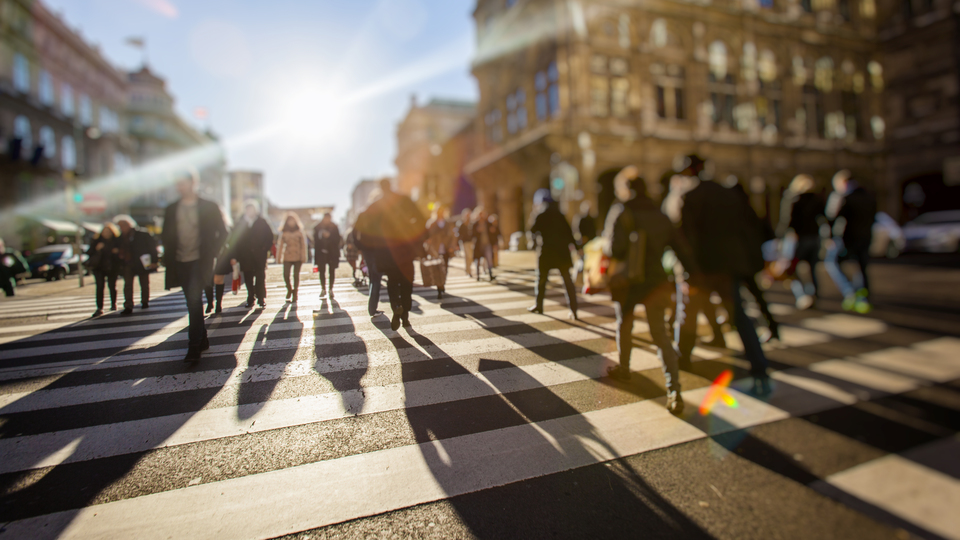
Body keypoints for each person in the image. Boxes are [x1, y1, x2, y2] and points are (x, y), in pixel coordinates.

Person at [602, 167, 697, 415]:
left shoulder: (621, 210)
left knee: (624, 323)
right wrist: (692, 274)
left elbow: (614, 249)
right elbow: (679, 246)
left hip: (629, 282)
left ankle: (624, 368)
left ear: (625, 188)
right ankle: (674, 390)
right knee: (660, 335)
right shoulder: (660, 213)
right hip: (656, 281)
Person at [676, 155, 770, 392]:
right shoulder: (728, 194)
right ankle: (759, 367)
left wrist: (688, 269)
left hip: (702, 267)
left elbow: (686, 237)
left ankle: (683, 358)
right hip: (729, 265)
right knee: (739, 316)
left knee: (688, 314)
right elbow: (746, 227)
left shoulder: (691, 196)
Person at [161, 170, 228, 362]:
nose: (179, 187)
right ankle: (203, 339)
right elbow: (166, 235)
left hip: (201, 260)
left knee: (194, 301)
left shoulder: (209, 206)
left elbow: (223, 233)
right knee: (193, 302)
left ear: (193, 183)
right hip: (181, 261)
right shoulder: (172, 209)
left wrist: (212, 253)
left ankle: (193, 347)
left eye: (182, 183)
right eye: (177, 184)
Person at [364, 178, 426, 331]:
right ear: (391, 185)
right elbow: (421, 219)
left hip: (386, 252)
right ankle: (405, 317)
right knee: (406, 283)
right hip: (405, 248)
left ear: (380, 188)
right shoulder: (404, 200)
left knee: (392, 282)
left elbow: (366, 230)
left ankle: (396, 306)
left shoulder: (375, 205)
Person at [824, 170, 876, 313]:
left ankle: (850, 292)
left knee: (831, 262)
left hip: (847, 238)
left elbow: (833, 218)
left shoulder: (844, 197)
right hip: (865, 237)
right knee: (862, 268)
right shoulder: (868, 196)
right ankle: (862, 297)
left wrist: (829, 237)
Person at [777, 174, 826, 310]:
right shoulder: (817, 199)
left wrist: (780, 237)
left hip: (797, 238)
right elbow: (823, 218)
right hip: (814, 237)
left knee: (791, 268)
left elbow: (787, 220)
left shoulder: (793, 198)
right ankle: (813, 294)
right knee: (812, 269)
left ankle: (803, 295)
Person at [528, 189, 578, 319]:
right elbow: (569, 233)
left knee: (542, 280)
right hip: (562, 252)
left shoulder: (540, 214)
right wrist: (576, 248)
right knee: (567, 280)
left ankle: (539, 306)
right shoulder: (560, 214)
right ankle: (574, 309)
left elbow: (533, 230)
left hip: (546, 252)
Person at [234, 200, 274, 309]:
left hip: (259, 255)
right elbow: (235, 239)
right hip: (245, 256)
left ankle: (261, 298)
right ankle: (250, 297)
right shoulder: (241, 221)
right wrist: (237, 255)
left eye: (252, 209)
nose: (249, 211)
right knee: (248, 278)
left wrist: (264, 248)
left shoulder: (262, 221)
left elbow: (270, 236)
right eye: (247, 209)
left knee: (260, 277)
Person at [114, 215, 157, 315]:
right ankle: (128, 305)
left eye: (123, 225)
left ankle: (145, 301)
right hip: (128, 263)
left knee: (144, 283)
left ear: (129, 224)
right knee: (128, 285)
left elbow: (152, 247)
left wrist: (154, 261)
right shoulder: (120, 237)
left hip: (142, 262)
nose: (121, 228)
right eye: (119, 226)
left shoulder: (142, 233)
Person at [354, 193, 387, 318]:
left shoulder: (363, 214)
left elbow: (354, 232)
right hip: (377, 250)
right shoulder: (381, 214)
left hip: (368, 250)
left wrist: (360, 246)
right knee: (376, 277)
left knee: (374, 277)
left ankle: (372, 308)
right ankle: (373, 308)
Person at [87, 223, 121, 317]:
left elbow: (121, 253)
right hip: (99, 267)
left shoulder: (116, 240)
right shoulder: (97, 241)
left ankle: (113, 303)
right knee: (100, 286)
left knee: (112, 285)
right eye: (104, 231)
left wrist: (116, 251)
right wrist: (97, 249)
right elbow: (89, 252)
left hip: (112, 267)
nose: (106, 233)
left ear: (112, 231)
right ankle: (99, 308)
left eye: (108, 231)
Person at [277, 212, 308, 303]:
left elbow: (303, 245)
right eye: (290, 220)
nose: (291, 222)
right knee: (286, 275)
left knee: (296, 275)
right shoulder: (284, 232)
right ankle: (289, 289)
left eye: (293, 220)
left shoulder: (299, 232)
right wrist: (278, 258)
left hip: (298, 256)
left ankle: (295, 293)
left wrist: (303, 256)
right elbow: (280, 246)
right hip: (287, 256)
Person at [425, 206, 456, 299]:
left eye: (442, 211)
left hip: (446, 248)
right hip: (435, 249)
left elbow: (453, 235)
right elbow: (428, 235)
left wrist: (452, 246)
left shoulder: (448, 223)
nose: (441, 213)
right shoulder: (432, 223)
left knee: (445, 267)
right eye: (439, 211)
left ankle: (443, 282)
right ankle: (439, 287)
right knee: (437, 269)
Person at [313, 213, 341, 299]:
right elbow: (315, 241)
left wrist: (330, 236)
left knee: (331, 271)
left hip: (332, 253)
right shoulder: (317, 227)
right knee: (321, 271)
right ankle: (323, 289)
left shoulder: (334, 226)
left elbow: (338, 239)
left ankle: (330, 289)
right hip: (321, 252)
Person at [472, 207, 496, 282]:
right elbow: (472, 234)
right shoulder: (475, 224)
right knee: (478, 260)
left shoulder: (488, 223)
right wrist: (477, 231)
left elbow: (492, 233)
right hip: (479, 245)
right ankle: (478, 275)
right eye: (480, 214)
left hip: (487, 244)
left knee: (489, 259)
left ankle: (490, 274)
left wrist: (494, 242)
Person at [456, 208, 474, 277]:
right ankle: (468, 270)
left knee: (471, 256)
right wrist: (457, 244)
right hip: (465, 242)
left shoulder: (471, 224)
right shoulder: (461, 224)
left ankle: (468, 269)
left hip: (471, 241)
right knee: (468, 256)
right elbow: (459, 235)